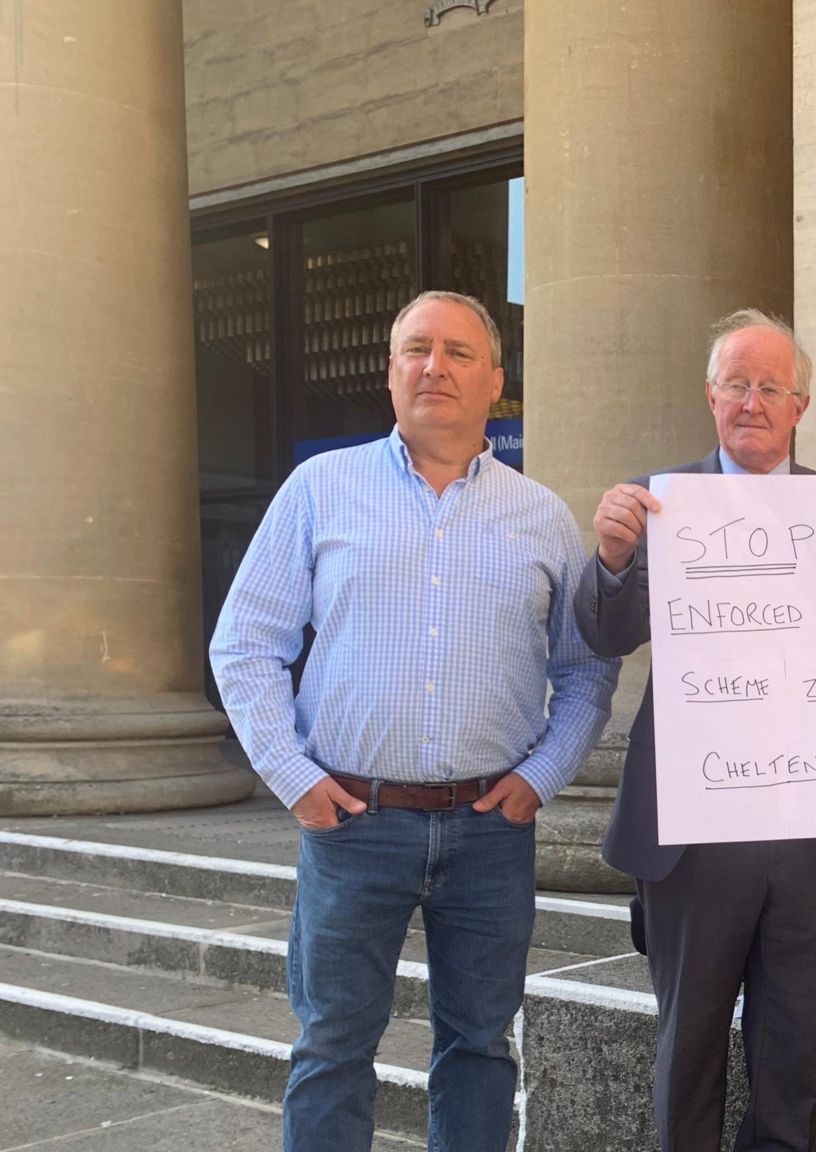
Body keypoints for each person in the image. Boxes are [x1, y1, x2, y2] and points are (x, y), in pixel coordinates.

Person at [210, 290, 620, 1152]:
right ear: (391, 371)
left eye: (459, 353)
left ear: (496, 381)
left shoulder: (541, 515)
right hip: (352, 824)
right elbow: (244, 645)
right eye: (416, 350)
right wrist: (294, 779)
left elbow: (586, 673)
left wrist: (539, 781)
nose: (435, 366)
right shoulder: (321, 489)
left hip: (487, 832)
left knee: (478, 1047)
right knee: (331, 1047)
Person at [574, 309, 816, 1152]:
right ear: (711, 397)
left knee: (792, 1058)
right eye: (737, 384)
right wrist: (607, 560)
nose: (753, 400)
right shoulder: (656, 504)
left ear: (801, 404)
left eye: (770, 386)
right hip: (695, 828)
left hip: (812, 827)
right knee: (690, 1047)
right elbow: (604, 636)